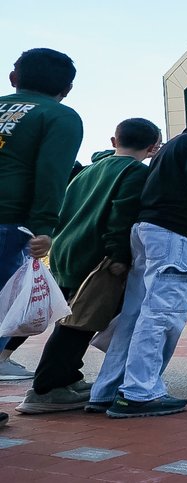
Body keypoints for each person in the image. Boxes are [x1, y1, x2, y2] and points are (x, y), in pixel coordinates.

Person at [91, 95, 187, 418]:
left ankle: (106, 389)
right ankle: (140, 392)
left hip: (146, 230)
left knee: (135, 313)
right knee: (163, 313)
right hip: (177, 234)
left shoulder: (171, 146)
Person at [17, 118, 159, 415]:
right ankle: (47, 388)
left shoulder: (88, 171)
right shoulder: (134, 172)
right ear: (152, 148)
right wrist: (119, 256)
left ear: (113, 140)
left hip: (66, 250)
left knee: (72, 318)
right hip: (96, 257)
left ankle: (68, 377)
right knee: (80, 323)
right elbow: (121, 217)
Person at [0, 49, 83, 411]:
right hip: (8, 222)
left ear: (13, 77)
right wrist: (44, 228)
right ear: (66, 89)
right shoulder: (59, 116)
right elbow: (51, 175)